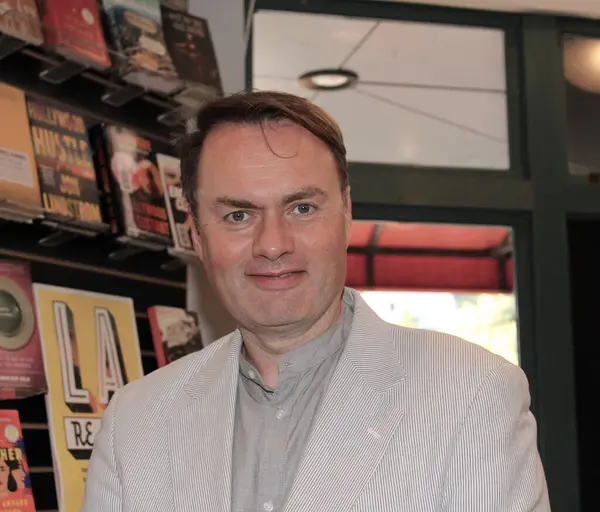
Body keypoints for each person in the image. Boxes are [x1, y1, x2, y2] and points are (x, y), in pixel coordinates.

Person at [82, 90, 551, 512]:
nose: (272, 243)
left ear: (346, 213)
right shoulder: (136, 421)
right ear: (198, 234)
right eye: (239, 214)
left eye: (301, 208)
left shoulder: (473, 395)